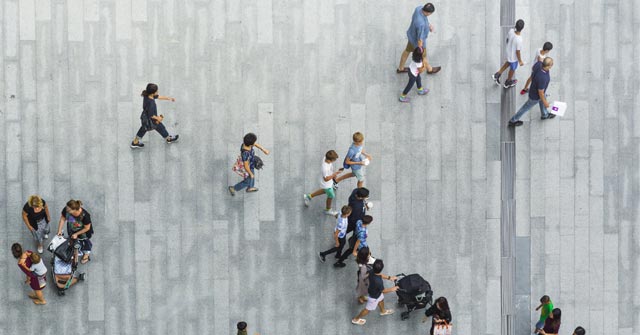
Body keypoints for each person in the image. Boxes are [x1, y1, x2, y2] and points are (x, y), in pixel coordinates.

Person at [508, 57, 555, 127]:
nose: (552, 65)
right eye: (551, 64)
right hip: (535, 96)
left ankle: (545, 115)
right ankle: (513, 120)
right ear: (548, 66)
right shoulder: (542, 78)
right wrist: (546, 103)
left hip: (536, 91)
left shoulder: (539, 64)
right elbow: (540, 92)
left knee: (543, 98)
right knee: (526, 107)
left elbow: (533, 68)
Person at [130, 83, 179, 148]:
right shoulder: (151, 104)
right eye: (156, 91)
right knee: (161, 128)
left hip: (145, 117)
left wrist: (169, 98)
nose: (157, 92)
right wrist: (159, 118)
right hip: (152, 121)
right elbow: (152, 115)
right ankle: (169, 139)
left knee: (143, 129)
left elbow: (158, 97)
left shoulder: (147, 95)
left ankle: (135, 142)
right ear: (153, 93)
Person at [351, 259, 399, 325]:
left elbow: (380, 275)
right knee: (367, 310)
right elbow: (383, 291)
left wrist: (389, 278)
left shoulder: (372, 270)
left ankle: (383, 311)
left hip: (375, 292)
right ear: (381, 269)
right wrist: (392, 289)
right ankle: (355, 319)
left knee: (381, 299)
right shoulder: (378, 282)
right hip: (374, 296)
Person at [397, 3, 441, 74]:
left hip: (411, 36)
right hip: (417, 42)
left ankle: (400, 68)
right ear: (427, 12)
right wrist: (420, 48)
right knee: (423, 56)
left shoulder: (418, 9)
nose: (430, 14)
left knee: (406, 52)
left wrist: (428, 25)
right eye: (430, 13)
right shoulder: (421, 24)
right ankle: (430, 69)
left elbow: (424, 19)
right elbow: (420, 38)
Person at [303, 150, 345, 216]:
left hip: (328, 184)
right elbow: (326, 179)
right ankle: (328, 210)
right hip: (327, 184)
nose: (335, 160)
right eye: (335, 159)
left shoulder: (325, 158)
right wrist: (334, 175)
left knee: (324, 191)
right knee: (331, 196)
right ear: (331, 160)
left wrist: (334, 174)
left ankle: (308, 196)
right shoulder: (324, 168)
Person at [56, 199, 93, 264]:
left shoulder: (85, 216)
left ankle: (86, 254)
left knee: (86, 244)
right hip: (72, 230)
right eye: (67, 208)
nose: (66, 210)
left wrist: (76, 234)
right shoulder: (67, 209)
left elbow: (87, 228)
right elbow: (62, 218)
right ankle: (75, 250)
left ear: (75, 210)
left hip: (83, 233)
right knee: (73, 243)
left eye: (69, 210)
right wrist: (59, 230)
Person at [492, 19, 525, 88]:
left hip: (508, 52)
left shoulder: (511, 31)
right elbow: (517, 52)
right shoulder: (519, 39)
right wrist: (520, 61)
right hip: (514, 58)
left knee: (508, 63)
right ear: (522, 28)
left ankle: (497, 75)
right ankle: (508, 82)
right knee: (512, 69)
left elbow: (507, 40)